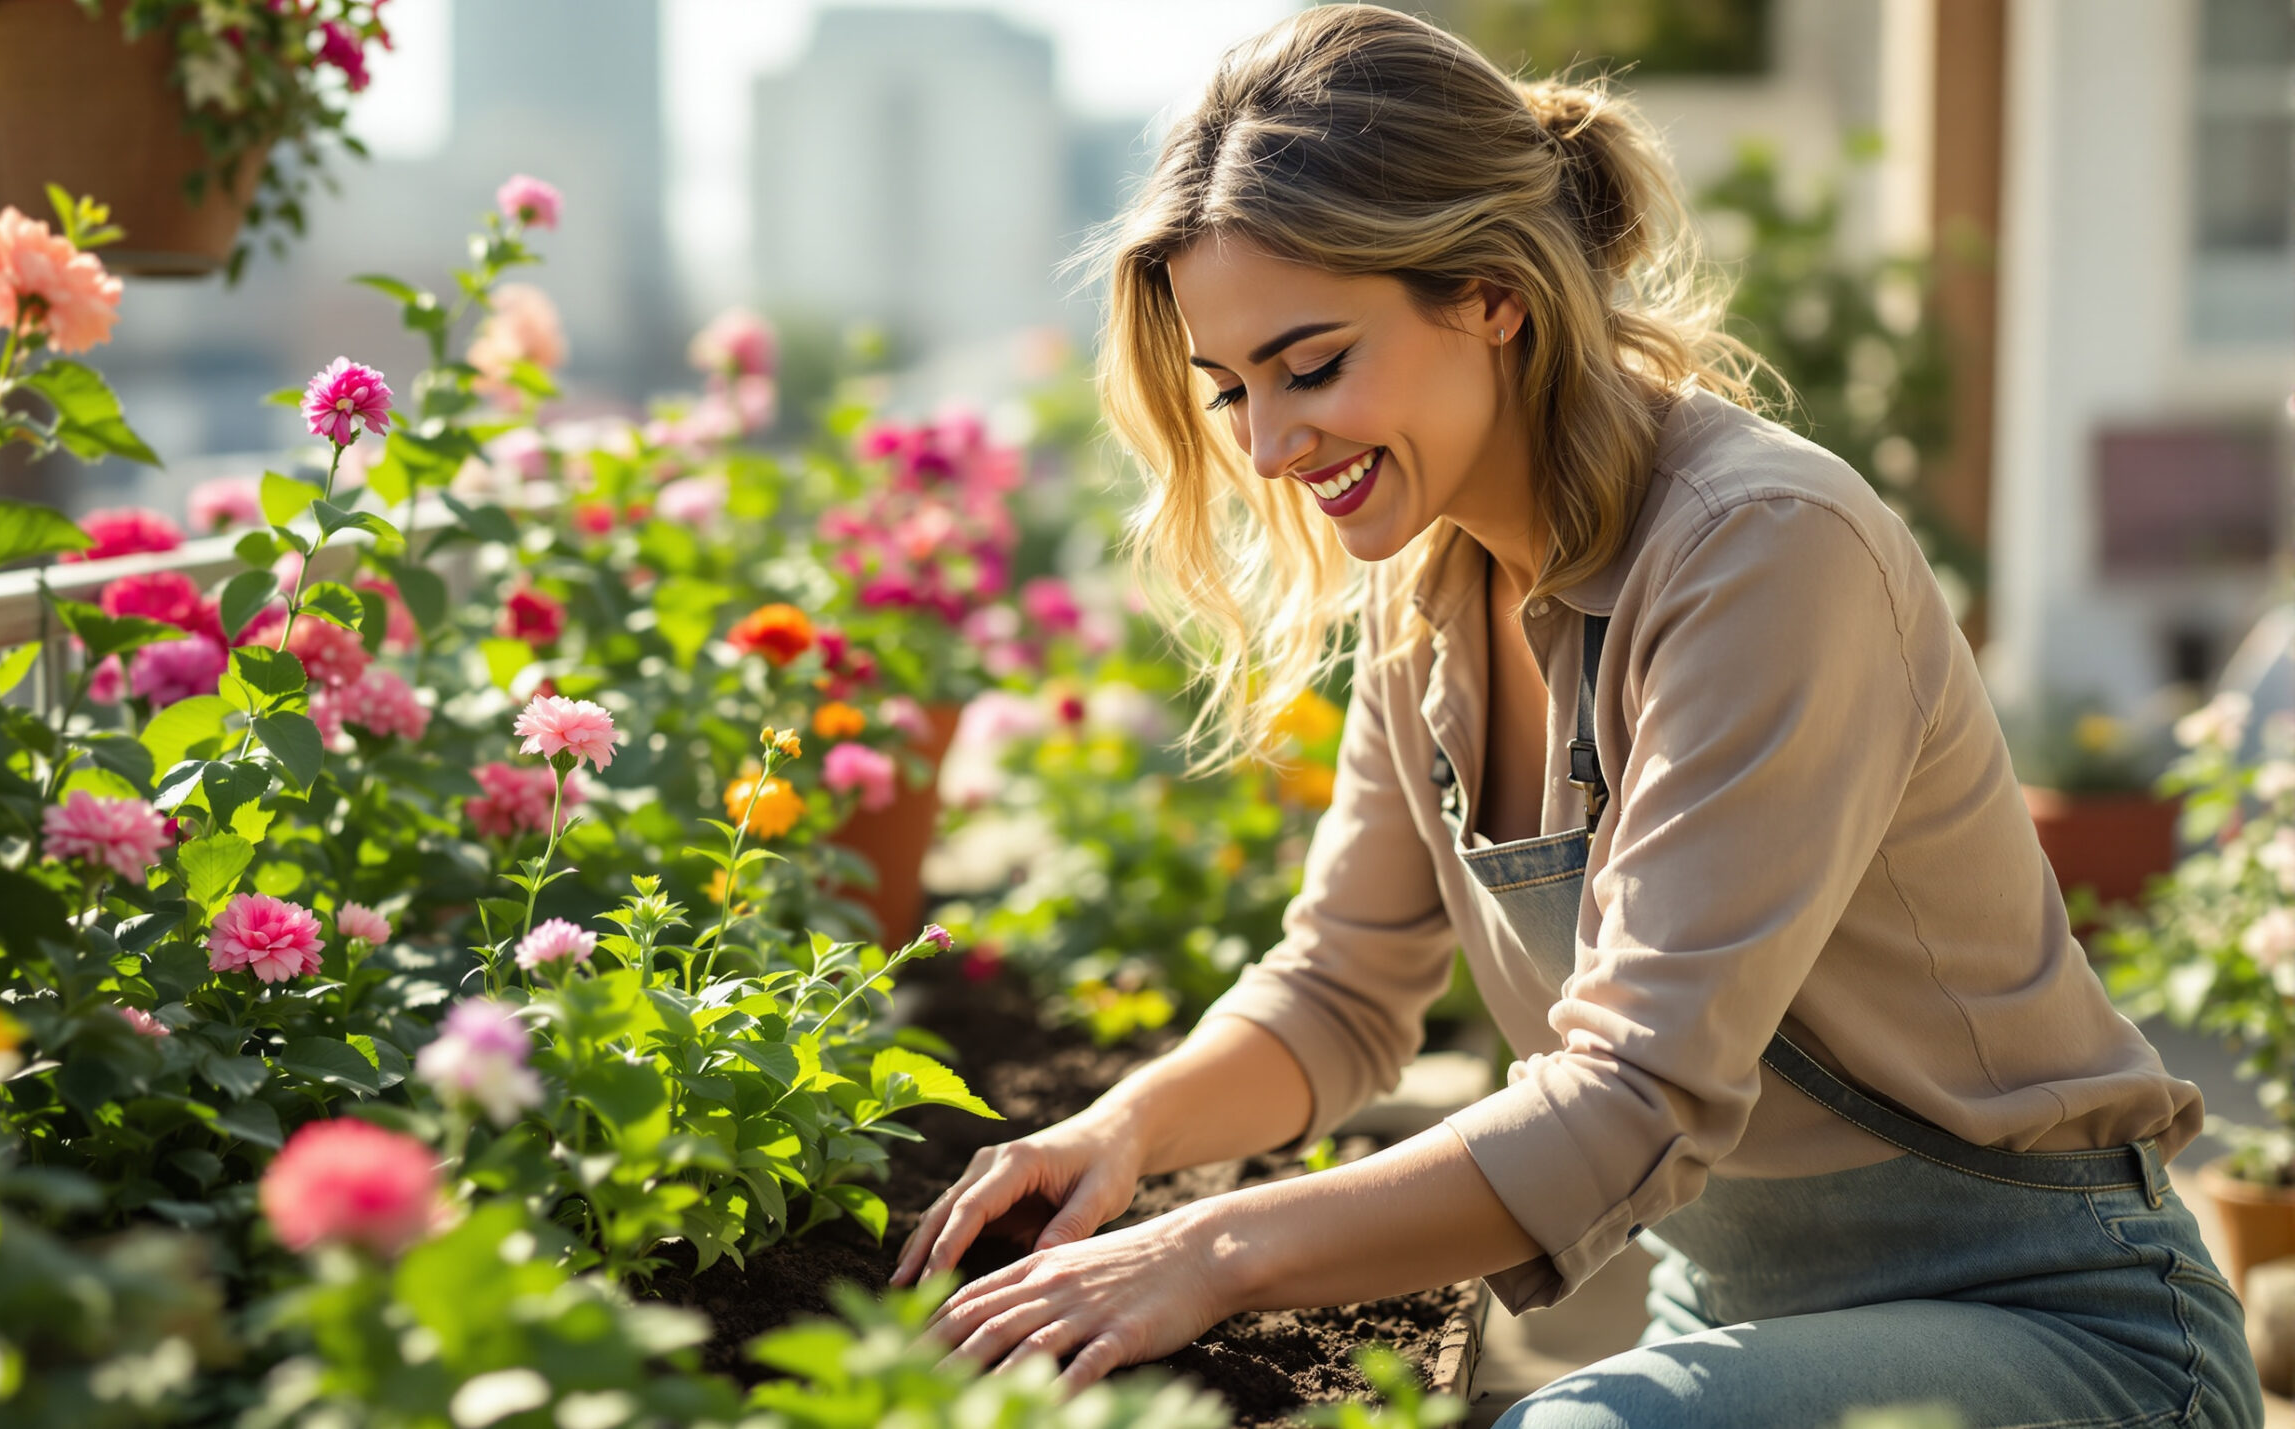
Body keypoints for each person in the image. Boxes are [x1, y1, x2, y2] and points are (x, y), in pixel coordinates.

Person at [895, 8, 2262, 1425]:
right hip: (1745, 1314)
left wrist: (1210, 1252)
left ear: (1493, 294)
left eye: (1311, 365)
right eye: (1231, 389)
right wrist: (1120, 1134)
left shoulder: (1760, 551)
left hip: (2065, 1326)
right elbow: (1342, 993)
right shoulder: (1427, 588)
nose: (1269, 447)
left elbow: (1635, 1094)